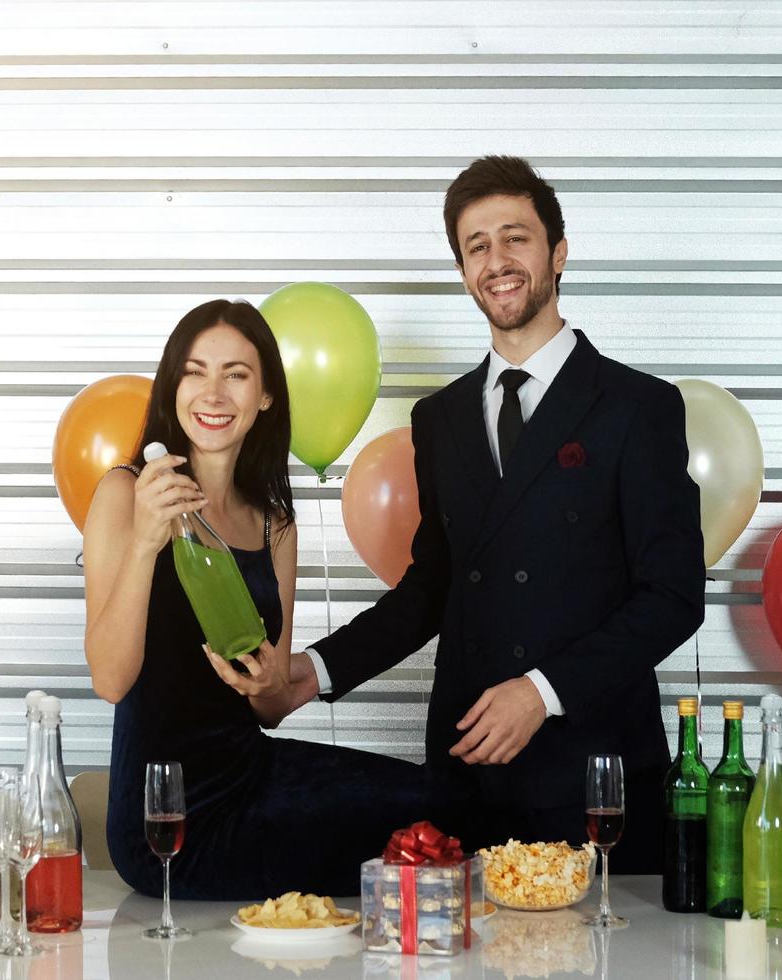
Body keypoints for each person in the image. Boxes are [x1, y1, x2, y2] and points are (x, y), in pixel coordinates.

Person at [287, 156, 706, 873]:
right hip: (468, 768)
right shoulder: (440, 417)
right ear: (462, 270)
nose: (497, 260)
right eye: (476, 246)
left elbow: (673, 598)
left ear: (559, 253)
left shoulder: (639, 408)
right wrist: (312, 671)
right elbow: (432, 588)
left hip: (593, 776)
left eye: (516, 237)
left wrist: (543, 693)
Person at [84, 299, 429, 900]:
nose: (213, 393)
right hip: (164, 820)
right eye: (195, 372)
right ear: (173, 388)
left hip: (255, 775)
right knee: (402, 841)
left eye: (236, 374)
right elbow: (111, 680)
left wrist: (267, 681)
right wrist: (145, 542)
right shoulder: (124, 492)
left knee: (441, 801)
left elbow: (267, 708)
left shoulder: (275, 524)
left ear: (265, 395)